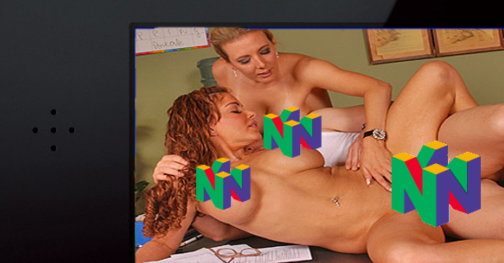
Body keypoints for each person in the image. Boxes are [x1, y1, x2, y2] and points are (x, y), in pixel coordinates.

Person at [137, 61, 504, 263]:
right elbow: (164, 245)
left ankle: (488, 173)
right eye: (235, 110)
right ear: (206, 127)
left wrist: (372, 135)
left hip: (410, 175)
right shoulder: (198, 182)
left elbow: (378, 110)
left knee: (440, 76)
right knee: (411, 260)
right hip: (392, 220)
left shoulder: (279, 133)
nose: (249, 113)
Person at [153, 27, 393, 187]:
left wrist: (370, 137)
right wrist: (172, 165)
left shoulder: (305, 70)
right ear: (228, 62)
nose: (261, 65)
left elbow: (378, 89)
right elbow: (216, 131)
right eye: (244, 60)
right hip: (277, 173)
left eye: (265, 51)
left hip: (329, 158)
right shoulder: (221, 73)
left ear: (273, 42)